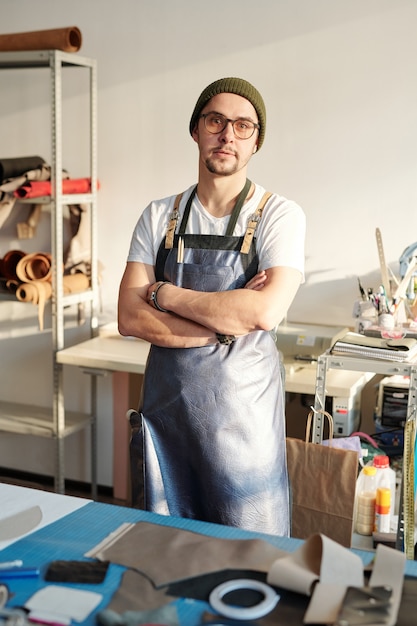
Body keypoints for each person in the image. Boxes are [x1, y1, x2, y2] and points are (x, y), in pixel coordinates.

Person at [118, 77, 306, 536]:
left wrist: (164, 294)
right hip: (167, 422)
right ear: (196, 129)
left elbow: (263, 313)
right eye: (216, 120)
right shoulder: (159, 215)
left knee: (249, 556)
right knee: (163, 550)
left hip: (243, 425)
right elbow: (128, 316)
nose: (228, 135)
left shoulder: (279, 214)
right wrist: (222, 326)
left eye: (243, 126)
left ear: (256, 141)